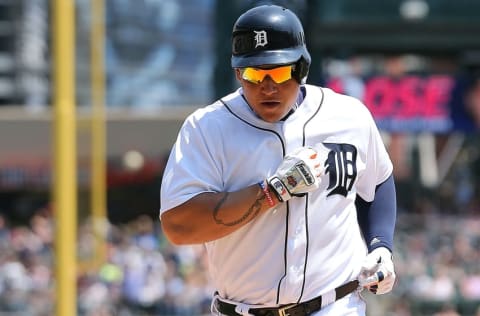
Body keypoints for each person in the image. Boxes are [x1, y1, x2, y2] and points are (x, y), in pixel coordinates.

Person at [160, 4, 397, 316]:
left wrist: (381, 244)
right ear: (237, 72)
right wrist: (270, 192)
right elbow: (178, 226)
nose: (266, 86)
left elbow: (379, 180)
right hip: (243, 309)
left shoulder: (348, 116)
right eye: (254, 73)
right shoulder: (207, 128)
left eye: (280, 71)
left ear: (302, 67)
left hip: (335, 304)